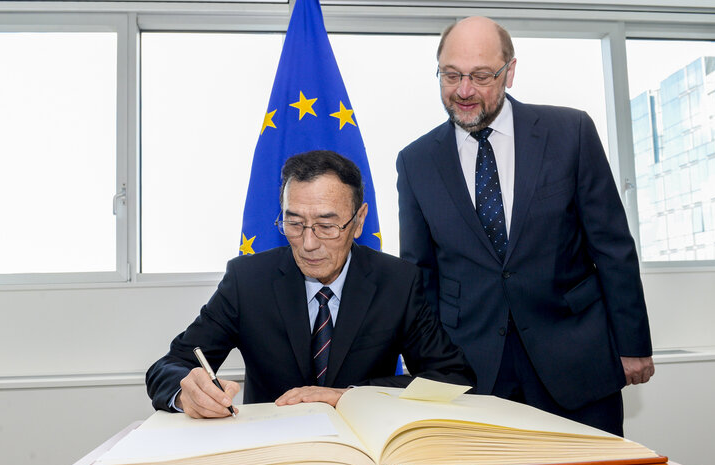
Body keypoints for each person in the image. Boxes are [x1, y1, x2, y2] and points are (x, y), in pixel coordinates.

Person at [396, 16, 653, 436]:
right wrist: (429, 368)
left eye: (481, 76)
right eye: (451, 75)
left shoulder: (570, 133)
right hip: (471, 372)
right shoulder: (416, 160)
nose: (464, 90)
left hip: (576, 361)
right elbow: (420, 275)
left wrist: (633, 345)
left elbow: (612, 248)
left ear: (509, 71)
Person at [147, 149, 474, 418]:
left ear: (358, 221)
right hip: (270, 449)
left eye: (327, 225)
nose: (308, 243)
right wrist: (186, 391)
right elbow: (169, 366)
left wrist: (348, 395)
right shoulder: (247, 281)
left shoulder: (397, 282)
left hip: (364, 449)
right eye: (294, 223)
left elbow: (450, 377)